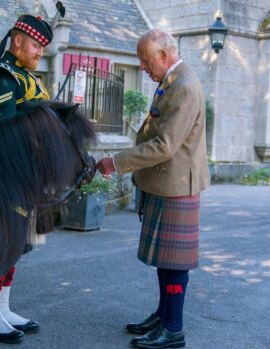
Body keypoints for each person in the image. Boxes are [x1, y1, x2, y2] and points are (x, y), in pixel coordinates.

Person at [97, 28, 209, 349]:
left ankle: (173, 328)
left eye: (146, 61)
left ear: (164, 55)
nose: (143, 68)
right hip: (165, 183)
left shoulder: (184, 87)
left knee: (174, 260)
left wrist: (116, 162)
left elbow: (164, 145)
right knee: (165, 258)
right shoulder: (172, 81)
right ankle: (163, 315)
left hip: (177, 186)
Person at [0, 14, 53, 344]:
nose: (40, 52)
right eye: (36, 45)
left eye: (43, 47)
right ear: (18, 41)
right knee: (4, 246)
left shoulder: (29, 79)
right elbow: (4, 130)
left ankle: (4, 309)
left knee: (18, 247)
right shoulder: (1, 76)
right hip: (5, 175)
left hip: (27, 176)